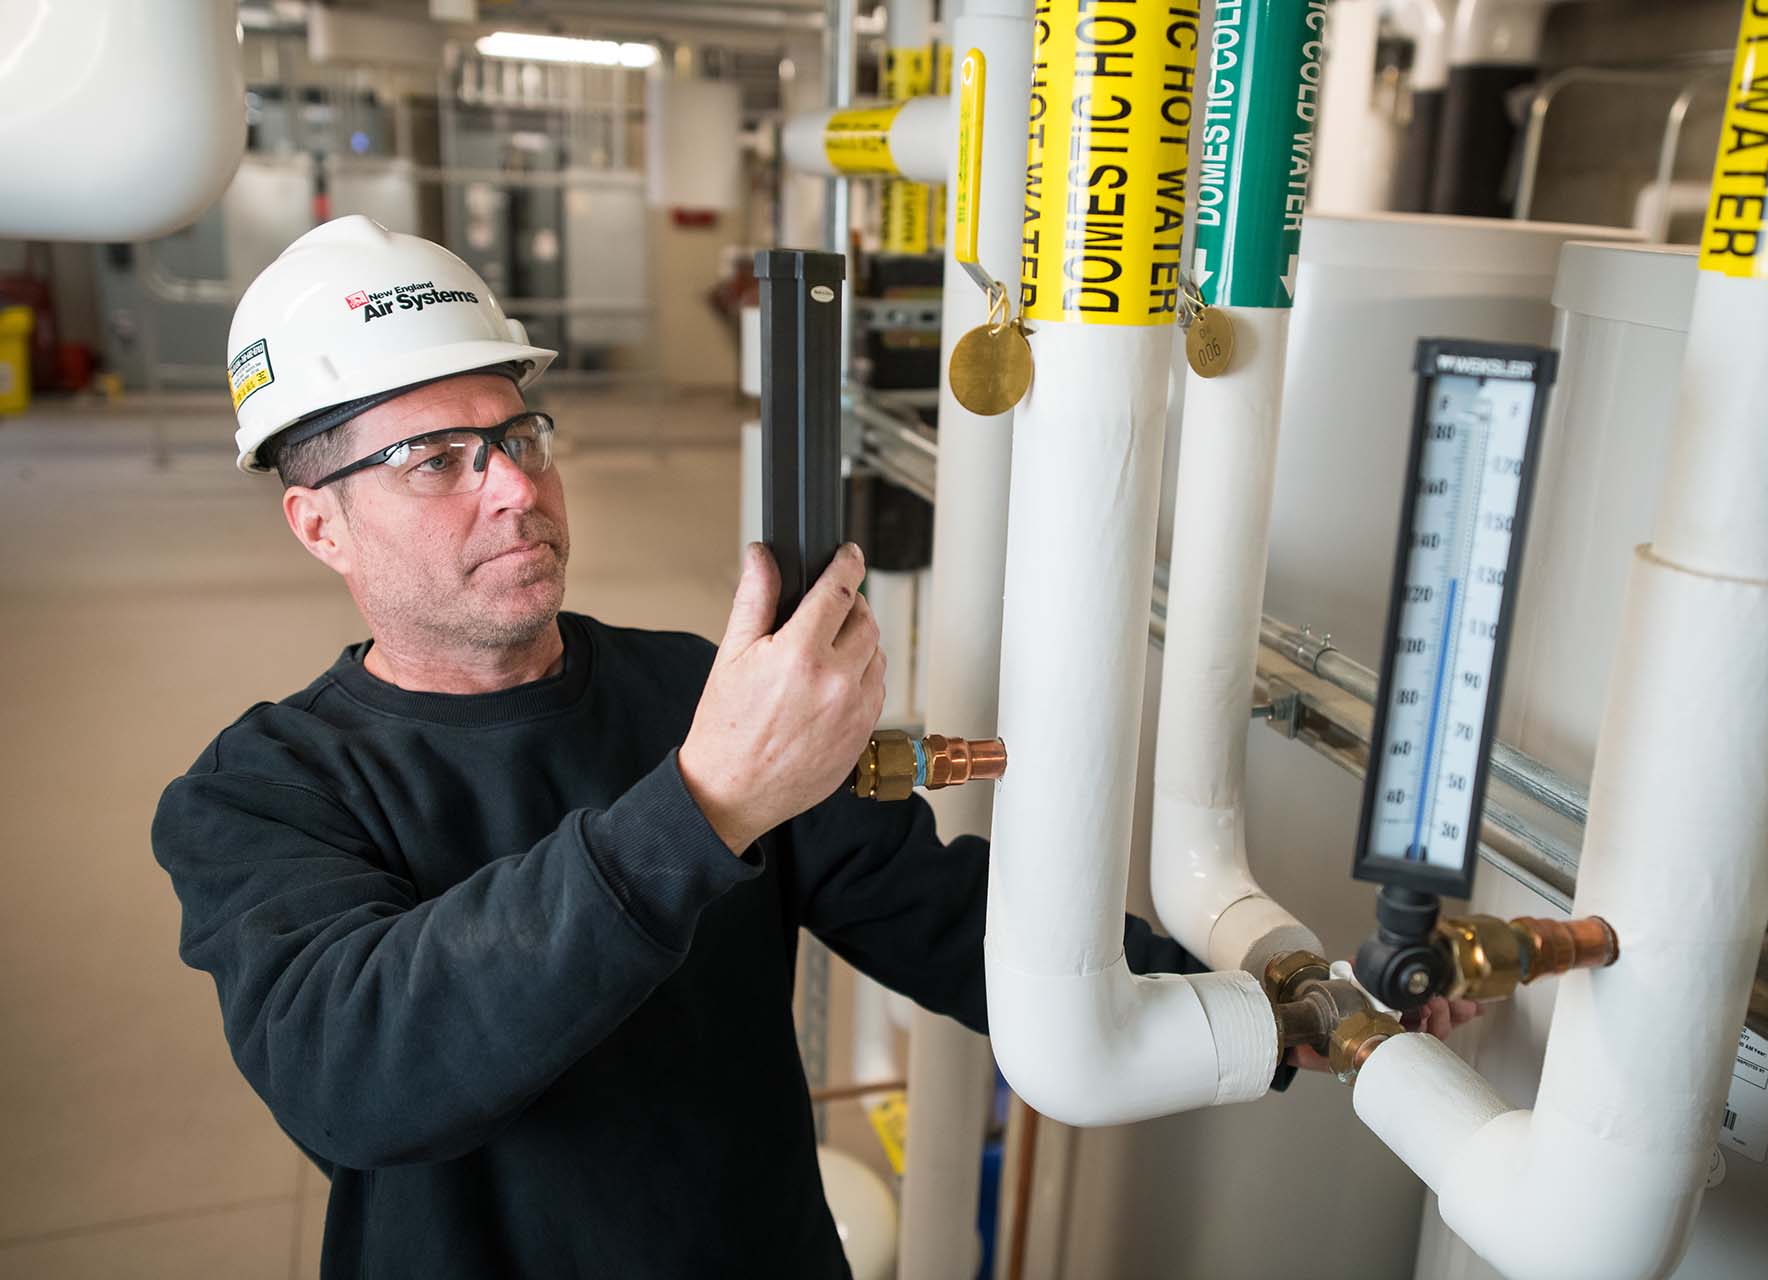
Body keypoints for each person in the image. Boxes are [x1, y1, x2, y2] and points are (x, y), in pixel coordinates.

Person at [152, 217, 1471, 1279]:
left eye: (519, 435)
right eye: (437, 459)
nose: (515, 487)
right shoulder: (263, 792)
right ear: (319, 525)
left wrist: (1292, 1009)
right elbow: (354, 1075)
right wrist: (707, 801)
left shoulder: (691, 690)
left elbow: (948, 923)